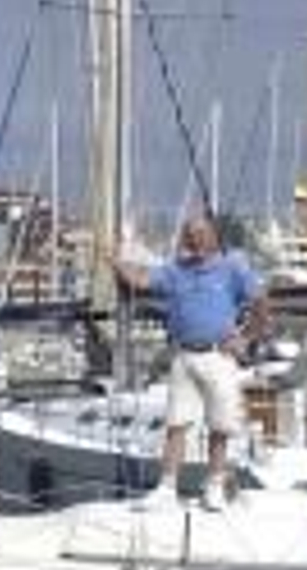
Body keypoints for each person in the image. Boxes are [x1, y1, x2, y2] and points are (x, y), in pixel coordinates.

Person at [113, 216, 268, 510]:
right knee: (176, 423)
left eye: (201, 234)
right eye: (190, 235)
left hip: (218, 356)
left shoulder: (232, 268)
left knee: (219, 425)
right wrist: (114, 260)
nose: (195, 240)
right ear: (185, 239)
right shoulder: (175, 271)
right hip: (184, 355)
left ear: (212, 237)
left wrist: (246, 339)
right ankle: (167, 487)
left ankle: (214, 486)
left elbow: (260, 302)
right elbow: (141, 279)